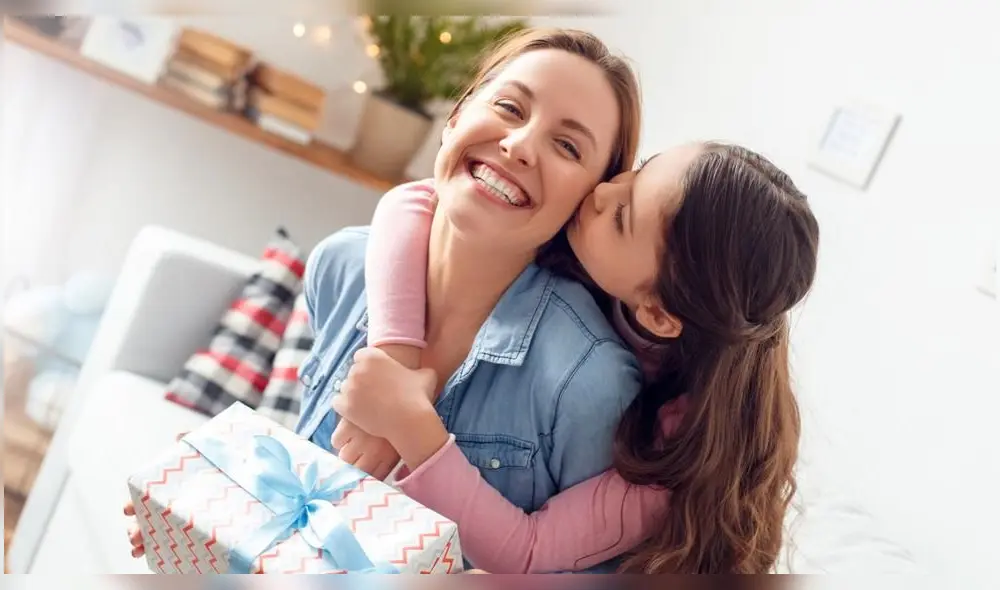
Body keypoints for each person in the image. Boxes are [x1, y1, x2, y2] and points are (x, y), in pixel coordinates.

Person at [332, 141, 820, 574]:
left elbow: (525, 552)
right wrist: (396, 356)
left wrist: (411, 426)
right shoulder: (595, 245)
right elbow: (417, 199)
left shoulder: (681, 448)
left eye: (623, 217)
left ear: (658, 314)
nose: (603, 192)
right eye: (639, 170)